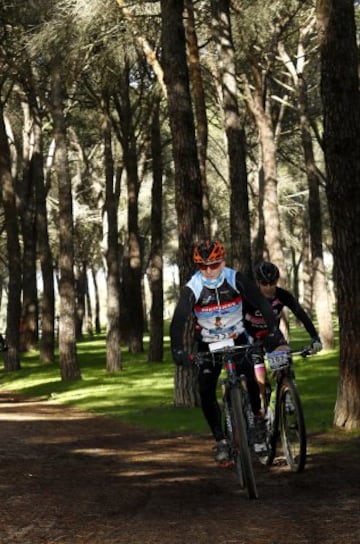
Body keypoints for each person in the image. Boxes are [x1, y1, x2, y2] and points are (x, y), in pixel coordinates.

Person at [170, 240, 285, 464]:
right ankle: (221, 440)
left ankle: (258, 421)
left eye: (214, 264)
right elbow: (178, 321)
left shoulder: (235, 278)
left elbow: (262, 303)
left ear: (223, 262)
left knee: (251, 377)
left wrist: (272, 331)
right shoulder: (192, 287)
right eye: (203, 266)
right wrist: (178, 350)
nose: (209, 271)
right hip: (207, 341)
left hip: (237, 336)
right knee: (205, 389)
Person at [243, 260, 322, 408]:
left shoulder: (282, 295)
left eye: (272, 283)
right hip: (251, 334)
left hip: (272, 333)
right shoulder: (249, 296)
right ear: (258, 282)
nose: (268, 287)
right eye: (264, 284)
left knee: (285, 356)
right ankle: (262, 403)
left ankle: (287, 391)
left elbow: (301, 315)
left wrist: (314, 337)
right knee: (257, 369)